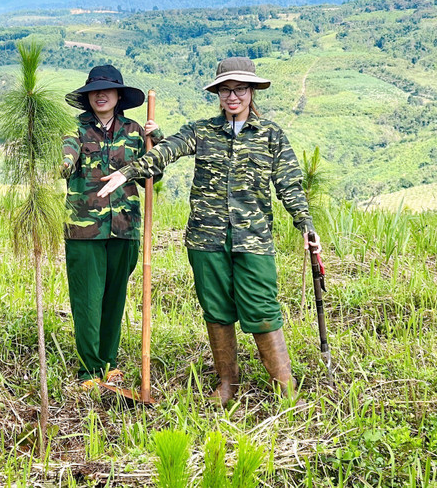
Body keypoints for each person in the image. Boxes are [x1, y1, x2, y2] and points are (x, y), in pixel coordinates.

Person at [98, 57, 321, 405]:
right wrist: (128, 172)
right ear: (217, 94)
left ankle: (285, 386)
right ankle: (227, 383)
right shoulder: (201, 131)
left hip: (253, 237)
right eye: (225, 90)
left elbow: (289, 184)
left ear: (252, 92)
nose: (233, 97)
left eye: (240, 89)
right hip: (206, 236)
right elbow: (165, 152)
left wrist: (304, 223)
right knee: (216, 310)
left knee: (262, 307)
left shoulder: (271, 135)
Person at [61, 64, 162, 388]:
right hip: (84, 230)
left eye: (107, 90)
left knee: (114, 298)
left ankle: (108, 363)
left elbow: (153, 176)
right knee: (88, 300)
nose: (100, 95)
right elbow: (66, 157)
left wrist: (156, 140)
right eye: (94, 91)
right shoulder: (74, 128)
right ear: (87, 96)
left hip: (125, 227)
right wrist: (62, 162)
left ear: (119, 95)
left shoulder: (134, 131)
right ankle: (89, 370)